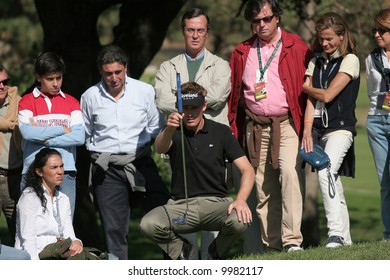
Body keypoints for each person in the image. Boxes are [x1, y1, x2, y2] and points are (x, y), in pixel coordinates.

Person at [228, 0, 312, 252]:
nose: (262, 25)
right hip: (255, 127)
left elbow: (308, 91)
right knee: (263, 187)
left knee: (289, 174)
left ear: (277, 18)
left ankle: (292, 241)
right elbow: (234, 96)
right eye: (256, 21)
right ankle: (273, 246)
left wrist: (307, 127)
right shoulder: (242, 51)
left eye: (266, 19)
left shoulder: (296, 46)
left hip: (285, 124)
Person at [140, 81, 255, 260]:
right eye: (185, 107)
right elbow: (160, 148)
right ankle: (183, 251)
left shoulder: (221, 132)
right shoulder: (173, 131)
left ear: (204, 106)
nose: (190, 113)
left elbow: (247, 170)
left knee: (241, 219)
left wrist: (240, 200)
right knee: (148, 224)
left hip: (216, 204)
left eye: (194, 107)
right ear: (179, 108)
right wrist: (170, 129)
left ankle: (215, 251)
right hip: (181, 205)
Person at [154, 7, 231, 259]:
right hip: (179, 148)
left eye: (200, 30)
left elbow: (218, 97)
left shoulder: (221, 65)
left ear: (207, 32)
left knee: (213, 209)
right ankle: (186, 261)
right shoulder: (167, 67)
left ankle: (211, 260)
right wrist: (195, 98)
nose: (195, 35)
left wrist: (182, 96)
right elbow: (163, 100)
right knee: (181, 208)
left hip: (212, 149)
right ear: (183, 31)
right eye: (190, 30)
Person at [80, 44, 170, 260]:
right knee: (114, 230)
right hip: (107, 168)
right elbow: (86, 134)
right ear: (101, 71)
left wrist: (138, 148)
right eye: (108, 73)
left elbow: (154, 127)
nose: (113, 78)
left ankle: (175, 267)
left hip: (140, 161)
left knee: (165, 217)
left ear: (126, 68)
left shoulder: (144, 91)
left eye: (118, 72)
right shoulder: (90, 96)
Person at [302, 12, 359, 248]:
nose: (325, 43)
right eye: (321, 39)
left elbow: (326, 95)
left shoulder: (350, 60)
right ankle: (345, 239)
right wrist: (306, 131)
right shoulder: (316, 61)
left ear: (342, 36)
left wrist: (307, 88)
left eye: (329, 39)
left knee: (325, 170)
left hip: (342, 130)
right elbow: (311, 102)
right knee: (332, 177)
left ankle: (334, 233)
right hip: (318, 131)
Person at [18, 52, 85, 218]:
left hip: (65, 172)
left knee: (64, 225)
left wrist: (42, 137)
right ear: (39, 77)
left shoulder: (71, 102)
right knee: (31, 223)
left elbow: (79, 137)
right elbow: (27, 133)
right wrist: (62, 129)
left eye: (59, 78)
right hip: (34, 171)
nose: (56, 83)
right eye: (50, 78)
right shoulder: (26, 101)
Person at [14, 148, 83, 260]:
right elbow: (28, 240)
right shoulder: (29, 197)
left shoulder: (63, 199)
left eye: (61, 166)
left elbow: (69, 235)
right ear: (39, 172)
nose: (60, 171)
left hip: (58, 254)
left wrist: (77, 242)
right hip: (34, 256)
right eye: (54, 167)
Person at [365, 8, 390, 241]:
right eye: (375, 30)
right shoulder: (370, 59)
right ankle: (388, 234)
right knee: (385, 182)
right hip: (376, 122)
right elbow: (372, 93)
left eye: (382, 30)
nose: (376, 34)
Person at [0, 65, 23, 245]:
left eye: (5, 82)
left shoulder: (19, 104)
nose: (2, 86)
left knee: (19, 235)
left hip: (13, 178)